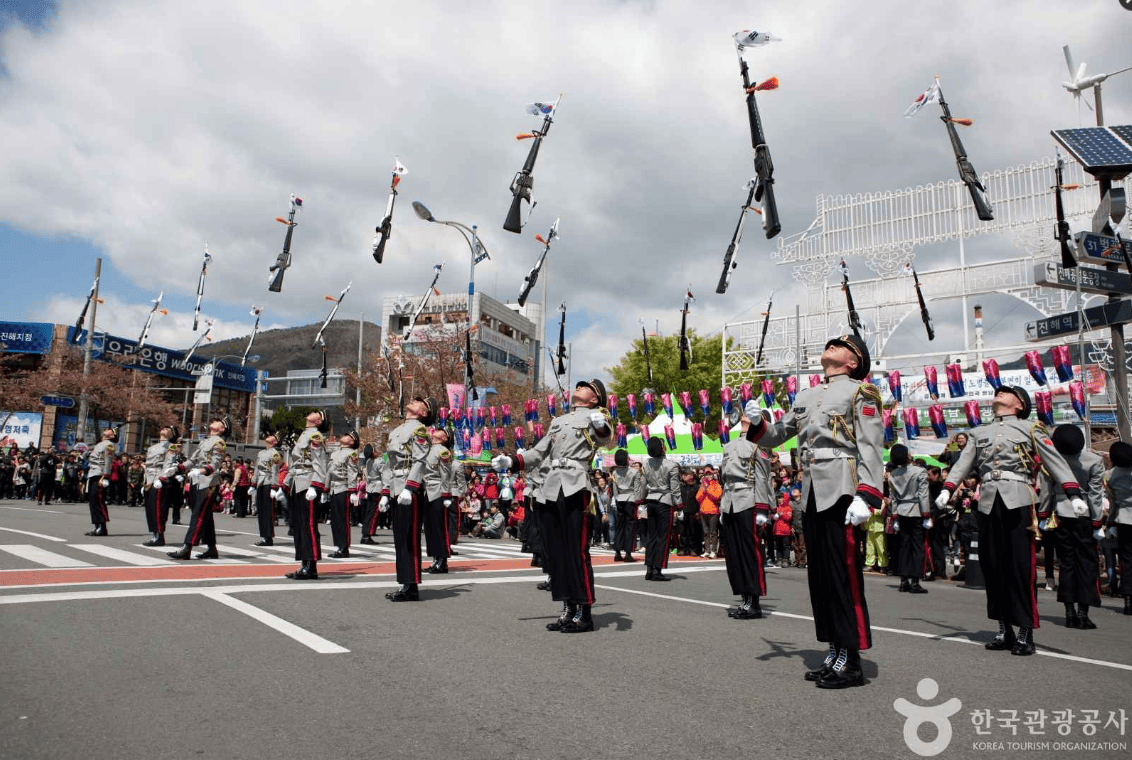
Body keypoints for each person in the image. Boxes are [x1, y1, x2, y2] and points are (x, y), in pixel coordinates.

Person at [744, 334, 883, 689]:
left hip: (842, 489)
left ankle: (851, 658)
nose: (831, 346)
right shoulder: (806, 396)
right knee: (820, 577)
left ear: (854, 362)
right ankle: (835, 650)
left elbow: (870, 446)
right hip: (812, 492)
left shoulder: (860, 393)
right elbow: (775, 436)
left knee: (844, 574)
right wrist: (757, 421)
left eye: (841, 345)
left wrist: (867, 496)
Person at [936, 385, 1086, 656]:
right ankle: (1004, 628)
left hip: (1018, 501)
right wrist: (947, 488)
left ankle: (1025, 630)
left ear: (1019, 404)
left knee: (1020, 567)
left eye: (1006, 393)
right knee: (992, 567)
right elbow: (963, 463)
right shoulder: (979, 432)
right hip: (988, 502)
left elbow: (1054, 461)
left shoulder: (1030, 428)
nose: (999, 394)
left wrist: (1072, 491)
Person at [493, 379, 612, 633]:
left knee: (577, 551)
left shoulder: (596, 415)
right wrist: (512, 461)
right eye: (579, 386)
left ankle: (585, 610)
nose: (579, 388)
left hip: (575, 485)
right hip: (550, 488)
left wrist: (601, 426)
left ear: (595, 398)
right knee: (556, 551)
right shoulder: (558, 421)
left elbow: (603, 438)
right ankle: (568, 607)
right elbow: (539, 452)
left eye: (586, 387)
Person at [1040, 425, 1104, 630]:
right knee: (1086, 564)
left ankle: (1069, 612)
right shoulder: (1094, 460)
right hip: (1085, 515)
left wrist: (1042, 515)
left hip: (1061, 513)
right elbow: (1095, 495)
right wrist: (1097, 521)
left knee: (1066, 563)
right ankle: (1083, 614)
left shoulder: (1053, 460)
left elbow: (1046, 492)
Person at [717, 406, 772, 619]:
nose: (744, 418)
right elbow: (725, 479)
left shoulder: (759, 446)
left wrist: (762, 508)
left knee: (750, 553)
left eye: (749, 416)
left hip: (747, 500)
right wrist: (723, 505)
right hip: (730, 501)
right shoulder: (729, 445)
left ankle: (754, 601)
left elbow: (763, 477)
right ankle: (744, 598)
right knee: (734, 554)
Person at [381, 396, 436, 602]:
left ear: (424, 413)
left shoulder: (419, 430)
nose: (414, 400)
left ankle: (411, 585)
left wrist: (410, 488)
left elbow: (420, 460)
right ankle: (405, 582)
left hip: (407, 487)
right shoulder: (397, 430)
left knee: (409, 537)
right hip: (396, 487)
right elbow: (389, 463)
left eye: (420, 401)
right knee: (400, 537)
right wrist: (386, 492)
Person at [167, 417, 231, 560]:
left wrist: (201, 471)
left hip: (208, 482)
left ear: (222, 429)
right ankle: (211, 549)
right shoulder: (205, 441)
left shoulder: (219, 442)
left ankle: (187, 547)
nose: (213, 422)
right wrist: (178, 468)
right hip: (197, 480)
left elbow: (215, 464)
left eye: (217, 422)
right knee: (206, 516)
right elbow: (192, 460)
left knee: (198, 514)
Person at [278, 410, 330, 579]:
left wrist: (315, 486)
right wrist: (284, 485)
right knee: (299, 526)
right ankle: (304, 563)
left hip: (308, 483)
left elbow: (320, 463)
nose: (312, 413)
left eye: (317, 413)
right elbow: (296, 464)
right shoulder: (304, 435)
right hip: (297, 483)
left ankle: (311, 565)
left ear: (318, 422)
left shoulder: (315, 436)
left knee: (308, 526)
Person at [635, 436, 682, 581]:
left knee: (652, 536)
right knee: (663, 537)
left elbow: (643, 484)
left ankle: (649, 568)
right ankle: (657, 569)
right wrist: (679, 504)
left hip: (651, 501)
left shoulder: (646, 463)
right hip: (665, 501)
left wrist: (640, 498)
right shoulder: (671, 465)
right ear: (662, 448)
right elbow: (675, 488)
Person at [887, 444, 931, 594]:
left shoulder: (893, 475)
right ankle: (915, 582)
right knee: (917, 547)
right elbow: (923, 495)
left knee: (904, 546)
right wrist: (926, 514)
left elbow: (893, 498)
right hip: (917, 511)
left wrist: (894, 516)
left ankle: (903, 580)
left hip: (901, 511)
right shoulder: (920, 471)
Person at [1103, 441, 1132, 616]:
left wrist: (1110, 523)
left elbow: (1113, 503)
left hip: (1124, 519)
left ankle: (1128, 600)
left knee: (1127, 562)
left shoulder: (1110, 475)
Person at [423, 426, 455, 573]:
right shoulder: (427, 448)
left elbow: (446, 475)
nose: (437, 431)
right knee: (430, 528)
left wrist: (446, 495)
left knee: (439, 528)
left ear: (445, 438)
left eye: (442, 431)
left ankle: (442, 561)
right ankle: (435, 558)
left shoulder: (443, 451)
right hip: (426, 491)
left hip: (437, 491)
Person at [327, 429, 363, 558]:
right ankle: (338, 546)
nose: (344, 435)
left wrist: (353, 491)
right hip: (333, 488)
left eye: (348, 435)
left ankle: (344, 547)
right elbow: (329, 472)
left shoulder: (352, 454)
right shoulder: (335, 453)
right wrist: (325, 488)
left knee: (343, 519)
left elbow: (352, 473)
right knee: (334, 520)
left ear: (352, 442)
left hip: (343, 488)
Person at [142, 425, 179, 546]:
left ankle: (159, 535)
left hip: (159, 480)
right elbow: (148, 466)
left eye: (169, 429)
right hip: (150, 480)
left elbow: (168, 464)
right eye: (163, 427)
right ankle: (154, 534)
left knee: (159, 510)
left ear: (172, 435)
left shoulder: (171, 446)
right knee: (150, 509)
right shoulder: (152, 447)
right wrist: (145, 482)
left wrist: (162, 479)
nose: (164, 429)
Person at [84, 427, 118, 536]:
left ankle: (102, 527)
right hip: (93, 473)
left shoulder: (109, 444)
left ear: (112, 436)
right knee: (93, 501)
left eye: (111, 430)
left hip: (100, 474)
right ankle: (96, 526)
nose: (108, 430)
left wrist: (105, 475)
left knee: (98, 501)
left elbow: (108, 460)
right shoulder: (100, 444)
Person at [609, 449, 640, 562]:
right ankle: (628, 553)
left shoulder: (615, 472)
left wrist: (617, 500)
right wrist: (637, 501)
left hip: (620, 499)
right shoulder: (634, 472)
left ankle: (617, 552)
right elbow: (637, 489)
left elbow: (615, 488)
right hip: (630, 499)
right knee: (630, 527)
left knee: (619, 526)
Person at [253, 434, 284, 547]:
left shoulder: (274, 454)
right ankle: (263, 536)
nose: (270, 437)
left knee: (267, 511)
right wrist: (253, 483)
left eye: (273, 437)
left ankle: (268, 537)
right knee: (260, 511)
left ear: (275, 442)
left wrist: (274, 486)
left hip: (268, 482)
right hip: (260, 482)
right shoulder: (261, 453)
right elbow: (257, 468)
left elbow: (275, 471)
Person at [360, 442, 384, 545]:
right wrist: (385, 453)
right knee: (373, 513)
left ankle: (365, 534)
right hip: (377, 487)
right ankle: (368, 535)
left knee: (368, 512)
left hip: (369, 488)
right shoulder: (379, 461)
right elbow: (386, 468)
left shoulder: (368, 461)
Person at [697, 467, 722, 558]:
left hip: (713, 511)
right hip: (703, 511)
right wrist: (704, 490)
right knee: (706, 532)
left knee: (713, 532)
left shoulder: (716, 485)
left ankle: (713, 551)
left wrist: (708, 489)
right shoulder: (703, 485)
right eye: (707, 474)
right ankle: (707, 550)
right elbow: (698, 498)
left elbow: (717, 496)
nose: (708, 476)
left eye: (710, 474)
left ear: (713, 475)